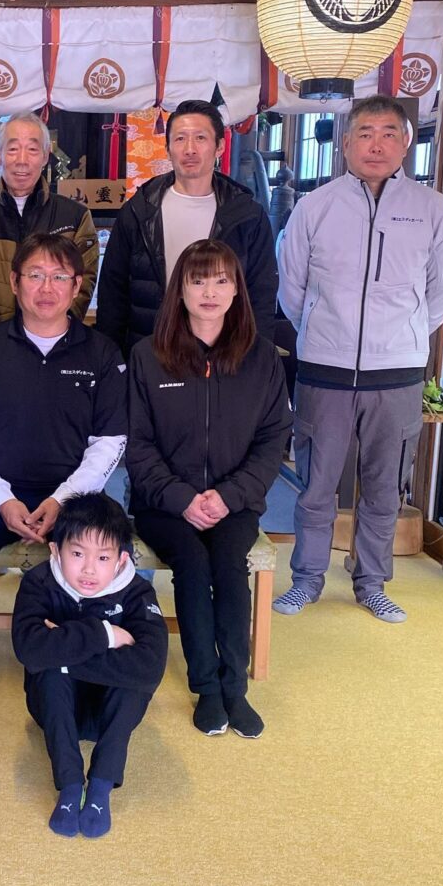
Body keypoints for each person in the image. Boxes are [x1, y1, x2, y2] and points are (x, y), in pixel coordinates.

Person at [273, 94, 443, 624]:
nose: (375, 144)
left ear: (406, 143)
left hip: (397, 372)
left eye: (388, 133)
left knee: (385, 485)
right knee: (316, 484)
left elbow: (441, 289)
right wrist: (321, 331)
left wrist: (402, 338)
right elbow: (292, 287)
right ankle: (306, 579)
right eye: (364, 133)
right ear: (346, 144)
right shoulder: (316, 206)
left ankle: (372, 581)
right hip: (324, 369)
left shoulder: (434, 209)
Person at [0, 233, 127, 700]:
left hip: (77, 494)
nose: (47, 287)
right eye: (35, 275)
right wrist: (3, 500)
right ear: (15, 283)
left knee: (103, 553)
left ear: (78, 285)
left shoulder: (101, 353)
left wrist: (64, 499)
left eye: (60, 277)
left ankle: (85, 652)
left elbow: (109, 442)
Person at [128, 239, 290, 738]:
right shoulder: (147, 355)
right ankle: (206, 687)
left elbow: (272, 442)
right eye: (198, 280)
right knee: (193, 566)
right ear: (179, 291)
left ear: (238, 290)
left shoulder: (262, 358)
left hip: (234, 503)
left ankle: (234, 687)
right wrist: (181, 498)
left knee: (227, 563)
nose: (210, 291)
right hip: (163, 504)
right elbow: (136, 444)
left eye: (222, 280)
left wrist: (228, 496)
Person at [11, 493, 167, 839]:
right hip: (52, 708)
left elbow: (149, 668)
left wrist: (63, 647)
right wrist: (106, 634)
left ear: (121, 559)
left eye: (103, 557)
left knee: (130, 684)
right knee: (50, 673)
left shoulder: (137, 593)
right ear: (56, 550)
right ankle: (68, 785)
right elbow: (29, 650)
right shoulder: (38, 583)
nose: (88, 569)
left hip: (110, 714)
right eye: (77, 553)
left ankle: (100, 786)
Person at [96, 99, 278, 357]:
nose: (189, 149)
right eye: (180, 139)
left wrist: (255, 358)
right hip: (151, 350)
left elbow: (262, 295)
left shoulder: (246, 215)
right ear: (168, 148)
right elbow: (113, 292)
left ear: (220, 147)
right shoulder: (139, 210)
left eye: (200, 138)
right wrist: (114, 360)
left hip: (222, 355)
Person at [0, 112, 99, 340]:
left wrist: (50, 333)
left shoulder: (75, 217)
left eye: (33, 149)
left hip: (54, 346)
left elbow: (82, 281)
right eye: (13, 149)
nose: (22, 160)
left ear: (46, 156)